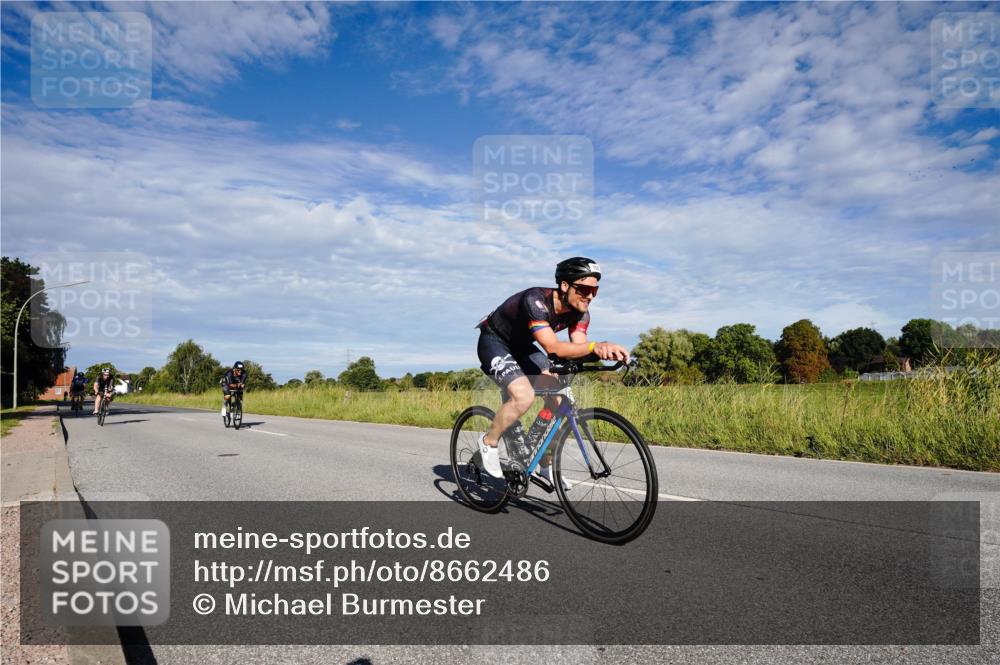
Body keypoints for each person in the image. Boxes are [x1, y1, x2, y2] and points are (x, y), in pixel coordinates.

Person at [475, 257, 630, 486]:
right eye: (584, 289)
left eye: (594, 291)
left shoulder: (580, 313)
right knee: (523, 396)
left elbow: (577, 348)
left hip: (523, 347)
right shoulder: (536, 300)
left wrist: (603, 350)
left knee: (560, 399)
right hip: (494, 340)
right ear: (565, 285)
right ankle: (489, 442)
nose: (589, 296)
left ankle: (544, 463)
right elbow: (552, 347)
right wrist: (593, 347)